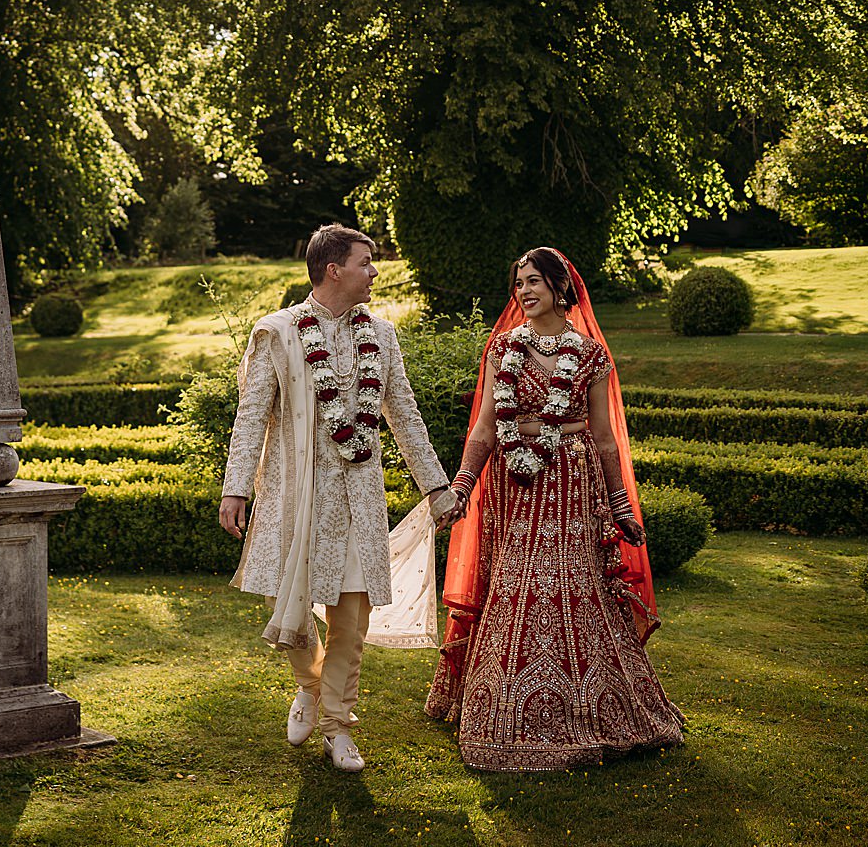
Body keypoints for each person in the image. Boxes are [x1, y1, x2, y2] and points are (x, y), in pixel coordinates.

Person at [423, 246, 685, 770]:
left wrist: (620, 506)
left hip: (570, 484)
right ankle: (504, 713)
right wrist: (462, 486)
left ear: (560, 288)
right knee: (516, 584)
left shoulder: (590, 355)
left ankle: (592, 711)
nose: (523, 291)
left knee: (573, 585)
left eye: (534, 281)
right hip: (515, 486)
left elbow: (606, 439)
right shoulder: (503, 348)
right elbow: (484, 426)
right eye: (518, 282)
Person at [218, 223, 460, 772]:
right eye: (366, 262)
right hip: (295, 498)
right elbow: (252, 415)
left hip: (358, 500)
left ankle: (336, 725)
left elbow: (405, 416)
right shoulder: (276, 333)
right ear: (334, 270)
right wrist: (236, 487)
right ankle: (307, 684)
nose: (375, 272)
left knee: (351, 619)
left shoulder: (383, 335)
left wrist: (438, 488)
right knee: (293, 610)